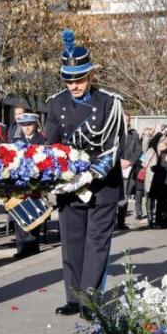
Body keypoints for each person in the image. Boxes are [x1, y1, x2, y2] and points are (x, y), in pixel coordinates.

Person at [45, 30, 125, 318]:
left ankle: (90, 300)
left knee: (96, 244)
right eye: (68, 79)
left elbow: (113, 147)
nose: (74, 85)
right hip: (70, 183)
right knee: (72, 241)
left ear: (91, 74)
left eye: (79, 78)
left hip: (101, 183)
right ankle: (74, 297)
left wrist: (90, 174)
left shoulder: (109, 102)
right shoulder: (55, 103)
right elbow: (51, 145)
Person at [12, 112, 44, 259]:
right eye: (23, 125)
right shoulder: (16, 141)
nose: (26, 128)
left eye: (29, 125)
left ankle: (32, 246)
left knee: (33, 213)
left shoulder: (42, 140)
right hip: (19, 183)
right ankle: (21, 247)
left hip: (35, 182)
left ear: (35, 125)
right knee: (19, 214)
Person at [117, 113, 142, 229]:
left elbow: (138, 150)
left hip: (128, 169)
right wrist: (118, 161)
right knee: (111, 197)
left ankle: (121, 222)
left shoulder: (134, 134)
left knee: (125, 197)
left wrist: (129, 162)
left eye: (127, 120)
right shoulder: (113, 133)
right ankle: (109, 223)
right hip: (114, 168)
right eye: (123, 119)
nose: (125, 121)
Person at [149, 135, 167, 228]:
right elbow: (152, 143)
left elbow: (164, 167)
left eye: (162, 146)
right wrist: (160, 133)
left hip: (163, 182)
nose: (160, 148)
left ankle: (161, 221)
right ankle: (161, 220)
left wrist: (154, 168)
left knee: (162, 202)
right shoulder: (162, 154)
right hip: (160, 181)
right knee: (160, 202)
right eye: (159, 146)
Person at [140, 137, 159, 227]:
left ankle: (150, 218)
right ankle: (151, 218)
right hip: (153, 176)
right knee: (152, 198)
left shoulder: (149, 151)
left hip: (150, 177)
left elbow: (142, 162)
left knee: (150, 198)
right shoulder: (154, 151)